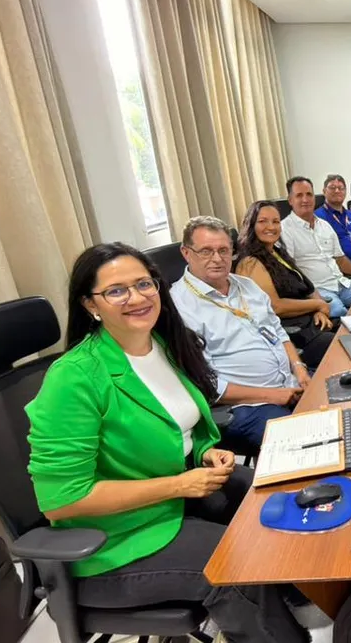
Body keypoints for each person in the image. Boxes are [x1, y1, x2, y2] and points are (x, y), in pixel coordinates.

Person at [26, 243, 309, 643]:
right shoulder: (73, 378)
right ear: (91, 304)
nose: (137, 297)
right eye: (117, 291)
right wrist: (179, 485)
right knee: (235, 563)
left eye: (144, 283)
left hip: (174, 498)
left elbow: (176, 428)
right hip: (114, 543)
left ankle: (298, 597)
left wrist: (205, 451)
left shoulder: (160, 344)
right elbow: (62, 499)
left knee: (276, 495)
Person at [171, 216, 312, 455]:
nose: (217, 259)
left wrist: (299, 368)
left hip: (289, 382)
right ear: (186, 253)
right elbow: (206, 384)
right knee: (305, 449)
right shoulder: (179, 306)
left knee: (349, 399)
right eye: (206, 251)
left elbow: (277, 330)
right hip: (246, 406)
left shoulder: (246, 286)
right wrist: (274, 395)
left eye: (224, 250)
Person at [236, 201, 335, 369]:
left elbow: (308, 288)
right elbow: (275, 306)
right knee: (345, 348)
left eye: (275, 221)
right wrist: (318, 305)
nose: (271, 226)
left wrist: (320, 311)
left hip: (310, 324)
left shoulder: (277, 252)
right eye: (263, 221)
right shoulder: (250, 262)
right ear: (251, 225)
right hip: (292, 336)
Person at [280, 176, 351, 315]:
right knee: (338, 311)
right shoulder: (284, 229)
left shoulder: (324, 225)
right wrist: (309, 298)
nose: (305, 200)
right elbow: (290, 272)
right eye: (299, 195)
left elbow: (340, 259)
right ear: (290, 200)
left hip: (341, 283)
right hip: (317, 290)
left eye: (309, 194)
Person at [316, 174, 351, 275]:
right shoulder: (318, 217)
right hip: (341, 268)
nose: (337, 191)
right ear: (324, 191)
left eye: (341, 188)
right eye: (332, 188)